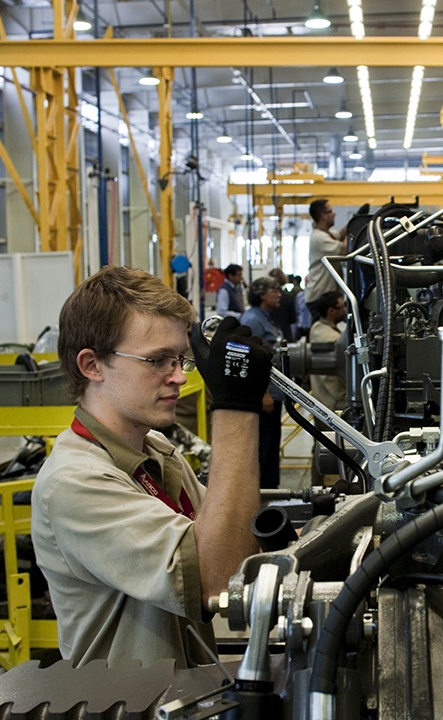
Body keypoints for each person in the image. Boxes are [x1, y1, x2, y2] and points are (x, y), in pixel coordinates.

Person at [31, 265, 272, 668]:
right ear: (92, 365)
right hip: (131, 706)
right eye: (157, 360)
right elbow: (215, 579)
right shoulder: (74, 482)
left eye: (180, 359)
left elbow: (234, 541)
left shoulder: (157, 450)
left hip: (186, 691)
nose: (179, 376)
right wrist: (235, 409)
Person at [240, 276, 285, 490]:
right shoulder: (253, 321)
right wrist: (262, 393)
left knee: (270, 444)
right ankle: (260, 491)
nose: (279, 294)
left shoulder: (264, 318)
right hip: (264, 394)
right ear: (261, 294)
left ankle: (269, 488)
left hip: (273, 392)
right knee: (263, 446)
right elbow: (250, 359)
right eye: (274, 290)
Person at [308, 290, 349, 484]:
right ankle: (320, 489)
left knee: (323, 447)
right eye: (342, 307)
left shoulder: (322, 329)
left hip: (326, 403)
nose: (346, 310)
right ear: (331, 311)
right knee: (328, 449)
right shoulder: (326, 335)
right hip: (331, 405)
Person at [305, 199, 347, 317]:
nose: (334, 214)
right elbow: (344, 249)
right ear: (323, 216)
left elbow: (339, 235)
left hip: (324, 295)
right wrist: (354, 230)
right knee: (323, 330)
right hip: (320, 298)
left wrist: (354, 220)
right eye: (330, 211)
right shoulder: (319, 238)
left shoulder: (326, 234)